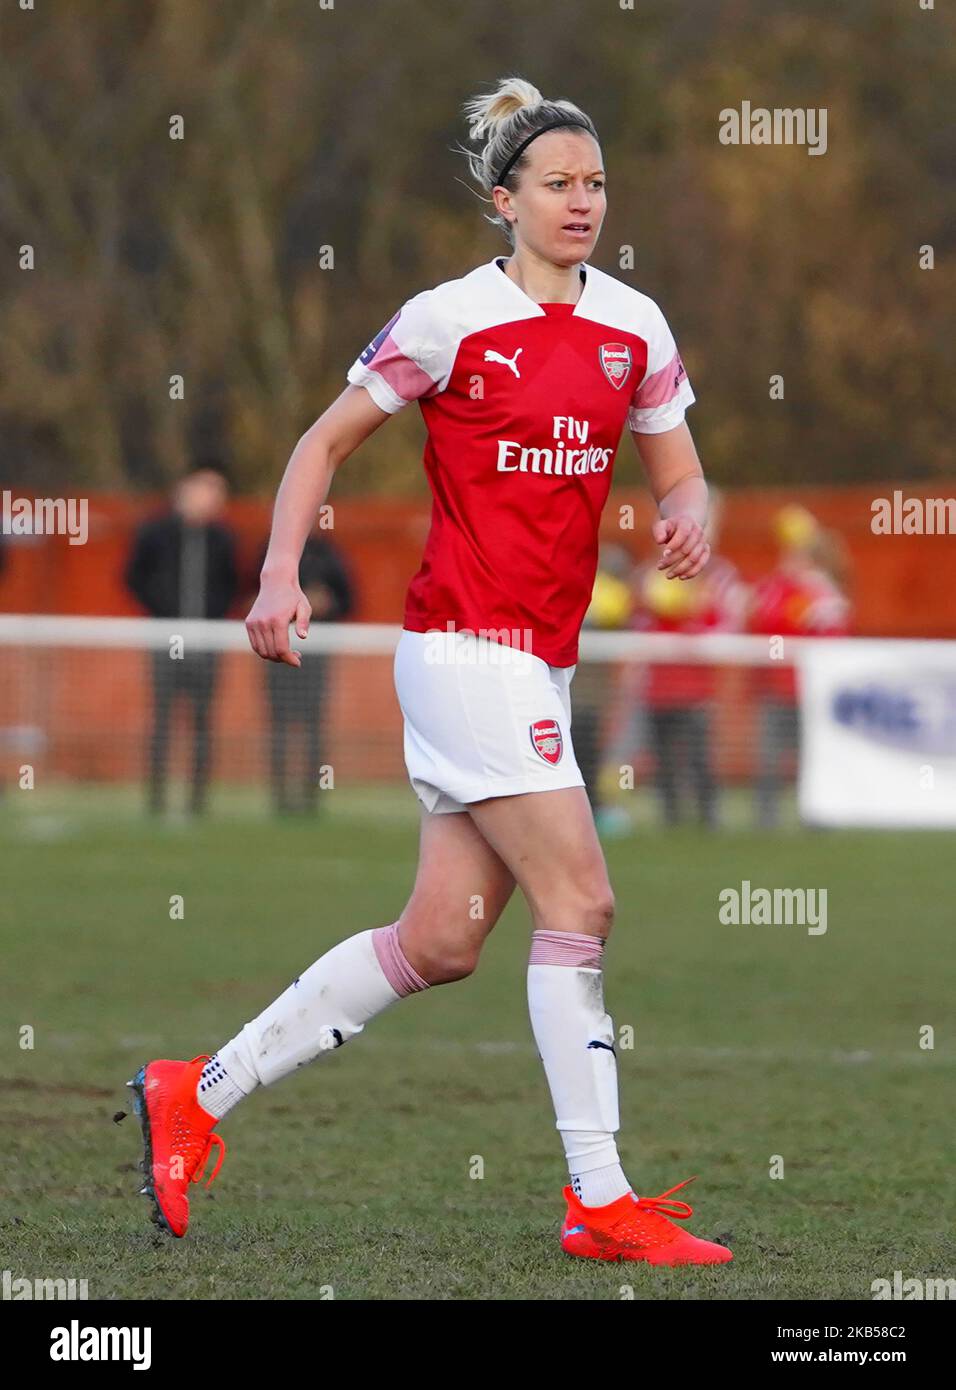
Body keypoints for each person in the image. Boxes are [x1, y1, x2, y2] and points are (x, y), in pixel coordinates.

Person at [127, 77, 732, 1267]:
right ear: (502, 200)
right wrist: (279, 574)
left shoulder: (635, 327)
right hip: (463, 651)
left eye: (595, 183)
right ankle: (597, 1196)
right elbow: (319, 443)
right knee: (583, 905)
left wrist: (688, 516)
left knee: (441, 940)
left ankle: (193, 1094)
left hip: (538, 668)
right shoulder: (445, 319)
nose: (581, 202)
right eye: (555, 184)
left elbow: (682, 471)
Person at [124, 461, 238, 816]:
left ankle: (196, 801)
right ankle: (156, 799)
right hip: (165, 638)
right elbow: (133, 576)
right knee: (162, 718)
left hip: (207, 641)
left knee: (202, 721)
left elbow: (233, 584)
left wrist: (213, 616)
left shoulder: (222, 539)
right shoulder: (155, 532)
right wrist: (162, 608)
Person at [748, 505, 851, 827]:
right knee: (769, 758)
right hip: (776, 691)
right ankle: (767, 819)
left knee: (815, 758)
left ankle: (819, 818)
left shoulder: (825, 595)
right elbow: (760, 618)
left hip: (810, 692)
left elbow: (834, 633)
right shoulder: (775, 587)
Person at [256, 530, 356, 814]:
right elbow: (250, 595)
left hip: (316, 652)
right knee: (279, 723)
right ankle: (280, 797)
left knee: (313, 725)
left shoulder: (329, 553)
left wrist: (326, 604)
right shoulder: (269, 552)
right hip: (277, 648)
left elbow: (349, 599)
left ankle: (311, 796)